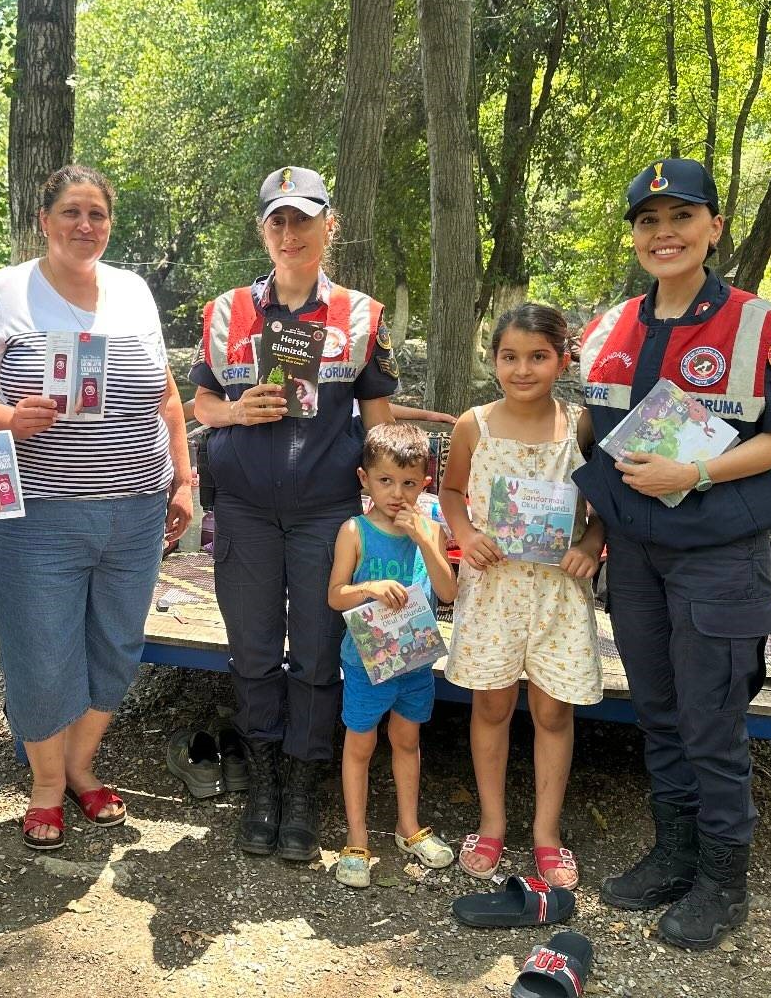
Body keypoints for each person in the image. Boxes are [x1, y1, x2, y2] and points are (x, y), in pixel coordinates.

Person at [573, 158, 771, 950]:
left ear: (713, 227)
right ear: (635, 237)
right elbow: (593, 437)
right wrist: (591, 526)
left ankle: (722, 882)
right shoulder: (609, 327)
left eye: (680, 217)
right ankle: (673, 853)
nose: (663, 233)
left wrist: (696, 471)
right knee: (660, 712)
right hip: (635, 555)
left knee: (712, 721)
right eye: (648, 221)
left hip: (718, 554)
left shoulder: (755, 325)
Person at [0, 165, 192, 849]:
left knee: (115, 645)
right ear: (44, 220)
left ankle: (83, 769)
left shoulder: (134, 293)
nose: (86, 226)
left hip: (137, 507)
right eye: (72, 212)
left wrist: (181, 477)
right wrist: (6, 415)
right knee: (41, 651)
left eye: (97, 214)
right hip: (38, 514)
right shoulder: (4, 293)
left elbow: (167, 396)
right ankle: (47, 786)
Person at [190, 166, 398, 861]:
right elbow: (201, 406)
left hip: (325, 515)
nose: (290, 232)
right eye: (277, 220)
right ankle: (265, 785)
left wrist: (391, 507)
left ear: (328, 226)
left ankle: (304, 788)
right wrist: (234, 409)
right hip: (245, 511)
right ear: (262, 230)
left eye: (303, 219)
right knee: (251, 652)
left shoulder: (362, 316)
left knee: (315, 654)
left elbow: (378, 420)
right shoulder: (224, 312)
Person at [439, 303, 606, 889]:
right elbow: (452, 490)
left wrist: (591, 542)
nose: (523, 369)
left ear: (563, 360)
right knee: (490, 705)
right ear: (494, 361)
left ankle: (546, 832)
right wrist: (464, 534)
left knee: (553, 711)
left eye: (538, 357)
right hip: (493, 591)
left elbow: (605, 501)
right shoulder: (473, 424)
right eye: (510, 357)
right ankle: (491, 822)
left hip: (559, 595)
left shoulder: (581, 426)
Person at [327, 423, 459, 888]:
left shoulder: (432, 530)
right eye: (385, 481)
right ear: (365, 478)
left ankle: (409, 827)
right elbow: (336, 596)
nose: (396, 493)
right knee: (360, 744)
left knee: (407, 741)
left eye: (408, 483)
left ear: (425, 483)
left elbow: (447, 592)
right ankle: (357, 838)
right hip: (366, 662)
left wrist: (426, 539)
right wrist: (368, 587)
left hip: (415, 661)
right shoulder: (354, 530)